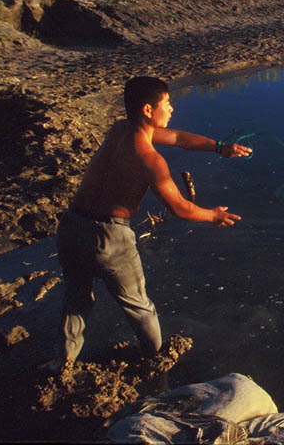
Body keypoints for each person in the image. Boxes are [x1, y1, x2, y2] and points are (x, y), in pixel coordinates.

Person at [47, 77, 252, 371]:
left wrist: (219, 147)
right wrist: (213, 215)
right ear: (147, 109)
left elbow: (179, 138)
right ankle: (156, 359)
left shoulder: (119, 130)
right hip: (109, 236)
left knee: (77, 297)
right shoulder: (150, 159)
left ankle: (64, 361)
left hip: (71, 227)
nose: (171, 108)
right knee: (139, 306)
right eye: (166, 104)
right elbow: (180, 208)